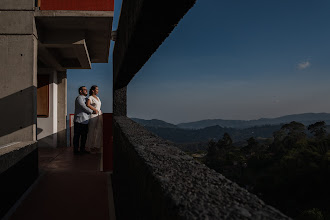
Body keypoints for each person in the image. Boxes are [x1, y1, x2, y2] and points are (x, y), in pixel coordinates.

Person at [73, 86, 97, 155]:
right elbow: (83, 107)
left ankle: (82, 149)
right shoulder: (79, 98)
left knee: (84, 136)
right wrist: (93, 111)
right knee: (77, 136)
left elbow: (90, 105)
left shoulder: (87, 98)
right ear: (81, 91)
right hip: (79, 120)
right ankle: (76, 150)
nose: (86, 91)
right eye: (84, 90)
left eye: (86, 89)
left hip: (86, 120)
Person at [85, 85, 103, 153]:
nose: (97, 90)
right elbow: (88, 104)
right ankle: (89, 146)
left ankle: (97, 146)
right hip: (93, 115)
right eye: (97, 89)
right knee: (91, 130)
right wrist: (94, 109)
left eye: (98, 89)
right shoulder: (90, 97)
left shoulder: (98, 97)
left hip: (99, 115)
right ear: (93, 90)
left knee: (99, 130)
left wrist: (99, 111)